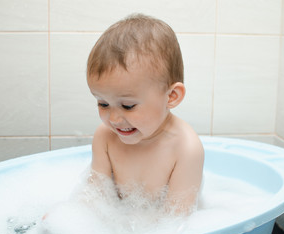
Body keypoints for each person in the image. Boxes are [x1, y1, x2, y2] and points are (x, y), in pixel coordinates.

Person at [86, 13, 204, 215]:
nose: (113, 119)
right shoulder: (104, 137)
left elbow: (178, 221)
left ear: (172, 96)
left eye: (128, 106)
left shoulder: (185, 149)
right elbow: (95, 198)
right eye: (103, 103)